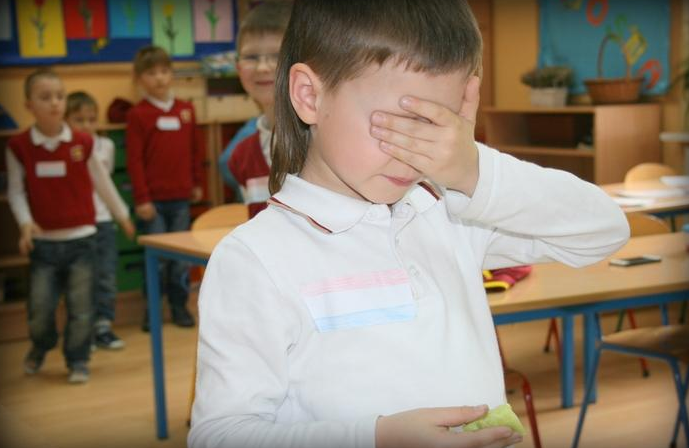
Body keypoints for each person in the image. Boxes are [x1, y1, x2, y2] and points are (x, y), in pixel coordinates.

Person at [189, 1, 630, 447]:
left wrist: (473, 169)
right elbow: (220, 436)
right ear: (309, 96)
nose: (415, 153)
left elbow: (603, 230)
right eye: (399, 124)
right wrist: (376, 438)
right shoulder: (255, 259)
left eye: (439, 127)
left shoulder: (446, 213)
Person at [6, 68, 135, 384]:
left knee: (82, 307)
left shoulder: (83, 143)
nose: (54, 103)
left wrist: (122, 215)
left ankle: (78, 359)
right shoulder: (19, 146)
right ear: (29, 105)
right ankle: (42, 344)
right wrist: (25, 224)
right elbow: (16, 191)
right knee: (40, 309)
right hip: (44, 245)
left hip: (82, 241)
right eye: (45, 97)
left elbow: (103, 183)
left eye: (59, 96)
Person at [126, 45, 204, 331]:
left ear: (171, 74)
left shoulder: (186, 110)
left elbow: (196, 150)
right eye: (151, 73)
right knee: (157, 261)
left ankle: (179, 306)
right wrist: (142, 199)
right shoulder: (138, 115)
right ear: (139, 79)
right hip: (154, 203)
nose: (159, 78)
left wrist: (196, 182)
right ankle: (153, 311)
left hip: (181, 198)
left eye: (164, 71)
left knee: (180, 261)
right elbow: (134, 161)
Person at [218, 1, 291, 217]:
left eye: (277, 55)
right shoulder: (241, 157)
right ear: (238, 68)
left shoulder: (323, 145)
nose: (262, 67)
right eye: (251, 57)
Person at [65, 91, 126, 350]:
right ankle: (83, 331)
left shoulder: (106, 146)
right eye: (79, 120)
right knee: (81, 280)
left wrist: (121, 214)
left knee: (106, 275)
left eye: (91, 120)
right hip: (78, 225)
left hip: (103, 221)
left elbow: (104, 183)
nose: (87, 125)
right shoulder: (66, 148)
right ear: (66, 121)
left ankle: (103, 326)